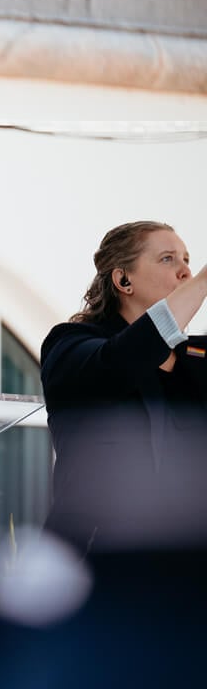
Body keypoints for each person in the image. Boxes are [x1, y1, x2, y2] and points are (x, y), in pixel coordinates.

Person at [40, 221, 207, 553]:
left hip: (187, 565)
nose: (186, 272)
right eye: (168, 259)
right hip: (97, 560)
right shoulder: (72, 345)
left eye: (187, 260)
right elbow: (125, 360)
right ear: (123, 280)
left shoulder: (197, 357)